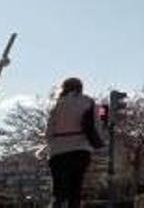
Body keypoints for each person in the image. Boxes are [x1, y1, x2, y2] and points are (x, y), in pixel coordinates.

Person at [45, 77, 103, 207]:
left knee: (59, 191)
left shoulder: (58, 104)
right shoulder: (89, 102)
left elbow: (49, 131)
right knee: (76, 189)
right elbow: (97, 126)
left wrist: (52, 144)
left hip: (58, 152)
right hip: (81, 150)